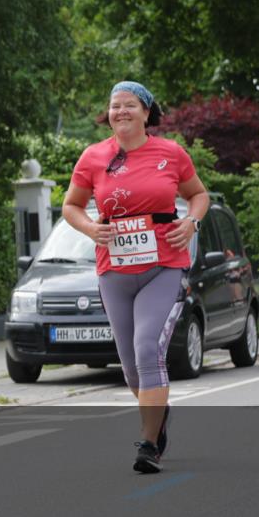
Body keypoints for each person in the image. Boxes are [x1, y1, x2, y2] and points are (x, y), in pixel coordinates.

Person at [62, 81, 210, 474]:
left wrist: (192, 221)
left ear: (147, 113)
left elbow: (199, 195)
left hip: (163, 264)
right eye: (115, 106)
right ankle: (157, 418)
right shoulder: (94, 157)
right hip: (114, 269)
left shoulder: (171, 153)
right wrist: (91, 229)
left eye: (130, 105)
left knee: (148, 350)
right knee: (129, 366)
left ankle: (148, 444)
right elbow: (71, 206)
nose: (121, 112)